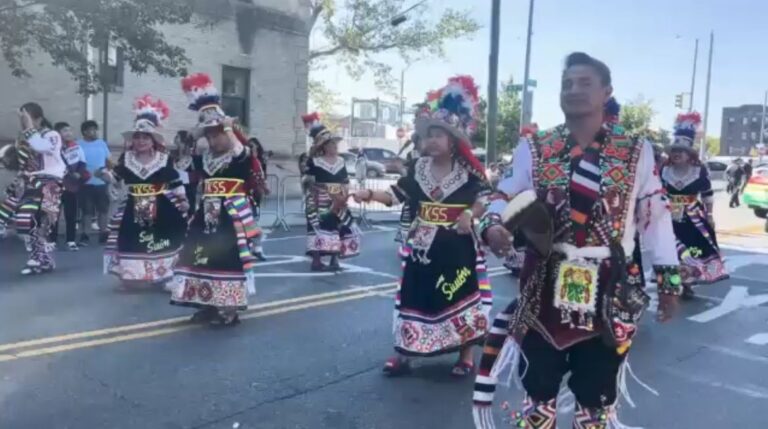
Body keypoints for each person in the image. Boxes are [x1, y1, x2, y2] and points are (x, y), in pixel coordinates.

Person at [473, 53, 681, 429]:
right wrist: (493, 225)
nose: (573, 90)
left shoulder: (636, 149)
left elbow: (655, 217)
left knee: (598, 386)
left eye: (585, 83)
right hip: (543, 278)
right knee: (537, 378)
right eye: (567, 84)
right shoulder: (536, 147)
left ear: (606, 92)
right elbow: (504, 194)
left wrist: (669, 279)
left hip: (610, 282)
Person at [353, 75, 493, 377]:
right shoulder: (418, 169)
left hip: (457, 246)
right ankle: (404, 353)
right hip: (422, 245)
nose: (430, 141)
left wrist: (471, 215)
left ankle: (465, 354)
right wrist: (368, 194)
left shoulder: (469, 172)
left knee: (459, 294)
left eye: (437, 135)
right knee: (413, 294)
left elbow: (485, 198)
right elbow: (395, 195)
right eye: (427, 135)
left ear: (453, 141)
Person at [170, 73, 265, 326]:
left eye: (217, 134)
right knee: (200, 255)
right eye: (208, 136)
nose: (212, 140)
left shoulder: (239, 155)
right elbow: (184, 172)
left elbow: (239, 150)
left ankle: (228, 308)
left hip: (231, 217)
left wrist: (227, 126)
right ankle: (207, 303)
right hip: (206, 214)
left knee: (228, 258)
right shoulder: (205, 160)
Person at [102, 96, 189, 289]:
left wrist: (183, 199)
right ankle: (135, 274)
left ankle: (165, 275)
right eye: (137, 137)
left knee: (162, 238)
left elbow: (174, 180)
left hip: (161, 204)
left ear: (152, 140)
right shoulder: (127, 158)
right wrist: (103, 174)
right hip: (134, 205)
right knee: (132, 238)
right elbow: (115, 177)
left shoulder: (163, 159)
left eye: (145, 137)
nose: (141, 141)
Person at [662, 112, 728, 299]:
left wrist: (709, 216)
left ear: (689, 154)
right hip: (668, 217)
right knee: (667, 249)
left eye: (681, 152)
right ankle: (669, 283)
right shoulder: (664, 171)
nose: (677, 155)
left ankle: (688, 281)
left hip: (693, 218)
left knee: (693, 250)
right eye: (674, 151)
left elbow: (707, 195)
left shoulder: (699, 171)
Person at [5, 103, 66, 274]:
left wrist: (29, 128)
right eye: (22, 120)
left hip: (50, 182)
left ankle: (42, 258)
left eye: (27, 119)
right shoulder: (24, 138)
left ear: (38, 119)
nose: (23, 123)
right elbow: (23, 164)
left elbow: (41, 146)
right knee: (25, 219)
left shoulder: (52, 135)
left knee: (43, 221)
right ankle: (37, 257)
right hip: (31, 182)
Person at [301, 112, 362, 272]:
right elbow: (307, 180)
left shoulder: (341, 161)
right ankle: (316, 261)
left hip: (338, 199)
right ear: (324, 147)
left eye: (335, 145)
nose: (335, 147)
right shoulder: (314, 161)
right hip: (320, 200)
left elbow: (345, 180)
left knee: (339, 227)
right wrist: (319, 190)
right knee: (318, 228)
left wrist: (344, 194)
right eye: (331, 145)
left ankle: (335, 259)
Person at [50, 122, 90, 251]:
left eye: (70, 130)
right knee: (53, 215)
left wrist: (78, 173)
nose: (68, 133)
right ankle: (51, 240)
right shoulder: (52, 148)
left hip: (72, 187)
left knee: (71, 214)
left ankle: (71, 240)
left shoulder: (77, 147)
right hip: (55, 186)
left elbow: (83, 163)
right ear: (57, 134)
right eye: (64, 131)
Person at [77, 119, 112, 245]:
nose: (94, 132)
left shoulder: (101, 143)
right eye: (91, 129)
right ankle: (85, 235)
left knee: (103, 210)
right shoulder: (78, 144)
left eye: (95, 129)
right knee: (86, 211)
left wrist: (108, 173)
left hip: (101, 183)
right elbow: (74, 163)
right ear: (85, 132)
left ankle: (103, 233)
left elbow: (109, 161)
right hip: (85, 183)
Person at [246, 137, 269, 261]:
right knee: (249, 224)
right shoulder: (245, 161)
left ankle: (256, 248)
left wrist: (263, 187)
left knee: (253, 220)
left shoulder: (258, 161)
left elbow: (261, 176)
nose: (252, 149)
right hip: (243, 196)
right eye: (250, 147)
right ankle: (254, 248)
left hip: (254, 195)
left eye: (254, 147)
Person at [172, 130, 199, 216]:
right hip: (174, 191)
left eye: (177, 137)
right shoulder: (172, 158)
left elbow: (196, 177)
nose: (175, 139)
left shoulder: (193, 159)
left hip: (189, 191)